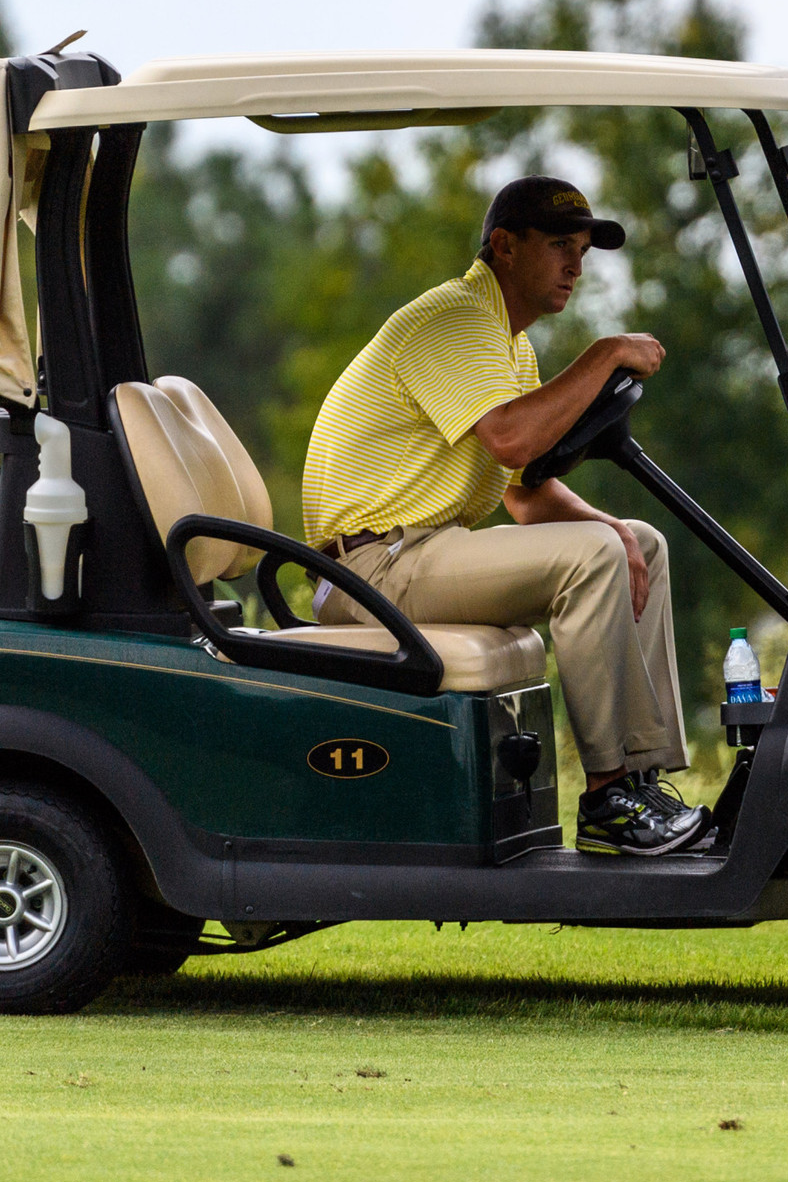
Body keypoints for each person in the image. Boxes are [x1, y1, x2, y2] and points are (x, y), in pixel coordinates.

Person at [301, 175, 708, 856]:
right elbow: (514, 439)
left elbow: (524, 492)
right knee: (594, 555)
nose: (575, 266)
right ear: (505, 247)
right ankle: (608, 799)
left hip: (423, 552)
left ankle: (638, 779)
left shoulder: (511, 346)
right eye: (559, 246)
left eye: (582, 250)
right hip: (373, 569)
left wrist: (608, 527)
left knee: (639, 543)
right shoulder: (457, 321)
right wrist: (605, 353)